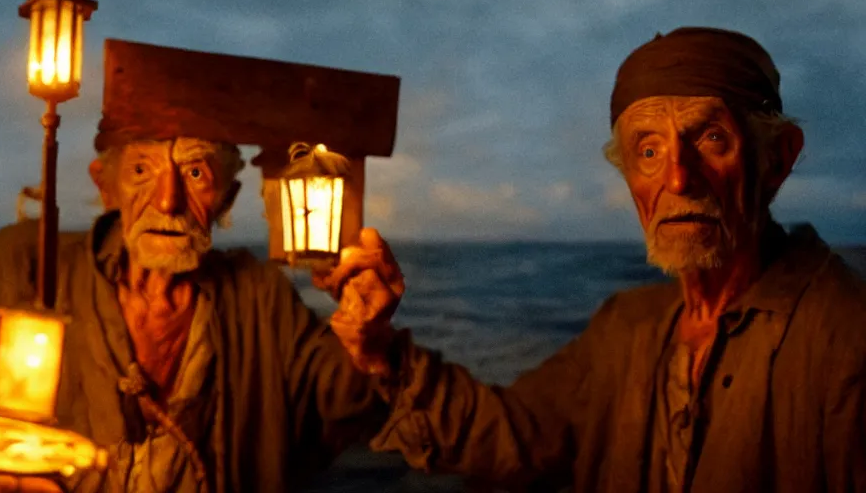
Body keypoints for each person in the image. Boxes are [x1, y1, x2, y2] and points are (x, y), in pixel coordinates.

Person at [323, 27, 866, 492]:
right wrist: (381, 351)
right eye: (648, 151)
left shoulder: (845, 338)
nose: (678, 178)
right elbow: (515, 436)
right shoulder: (626, 327)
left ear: (778, 158)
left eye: (713, 138)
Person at [0, 133, 400, 492]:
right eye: (142, 170)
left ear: (226, 199)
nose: (168, 200)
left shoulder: (259, 294)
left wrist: (367, 337)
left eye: (195, 174)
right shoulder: (21, 262)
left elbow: (339, 411)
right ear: (108, 187)